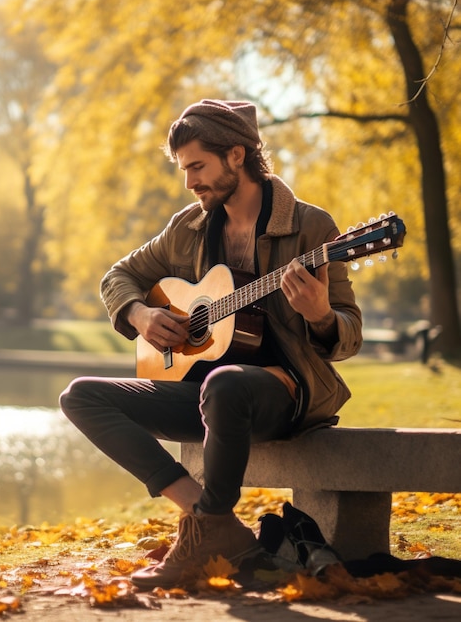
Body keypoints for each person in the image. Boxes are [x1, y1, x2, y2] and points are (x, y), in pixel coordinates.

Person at [59, 99, 363, 589]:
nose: (189, 182)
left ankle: (205, 531)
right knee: (80, 396)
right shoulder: (189, 227)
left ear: (237, 156)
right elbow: (119, 276)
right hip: (199, 393)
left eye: (197, 166)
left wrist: (321, 316)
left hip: (281, 390)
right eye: (184, 169)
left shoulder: (311, 228)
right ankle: (212, 523)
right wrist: (140, 314)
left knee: (224, 384)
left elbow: (348, 333)